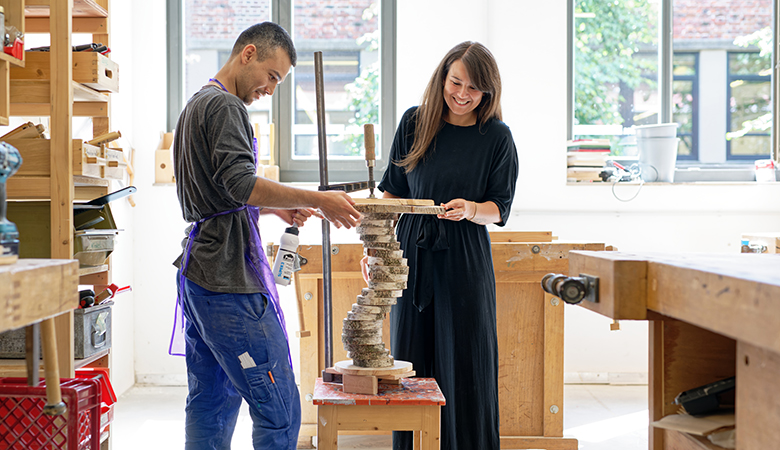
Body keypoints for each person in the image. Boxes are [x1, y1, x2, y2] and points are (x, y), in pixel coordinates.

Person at [172, 22, 361, 450]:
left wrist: (272, 207)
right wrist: (320, 198)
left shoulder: (196, 103)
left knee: (212, 401)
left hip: (199, 276)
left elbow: (219, 191)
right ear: (249, 54)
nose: (270, 90)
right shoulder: (226, 108)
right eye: (272, 76)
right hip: (227, 282)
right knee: (279, 405)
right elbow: (239, 183)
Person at [376, 41, 518, 450]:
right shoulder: (414, 123)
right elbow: (392, 196)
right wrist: (379, 252)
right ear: (443, 77)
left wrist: (472, 208)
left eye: (474, 88)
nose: (462, 94)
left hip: (464, 257)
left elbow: (500, 207)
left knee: (466, 360)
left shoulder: (497, 137)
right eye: (456, 82)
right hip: (412, 255)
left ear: (488, 92)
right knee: (410, 358)